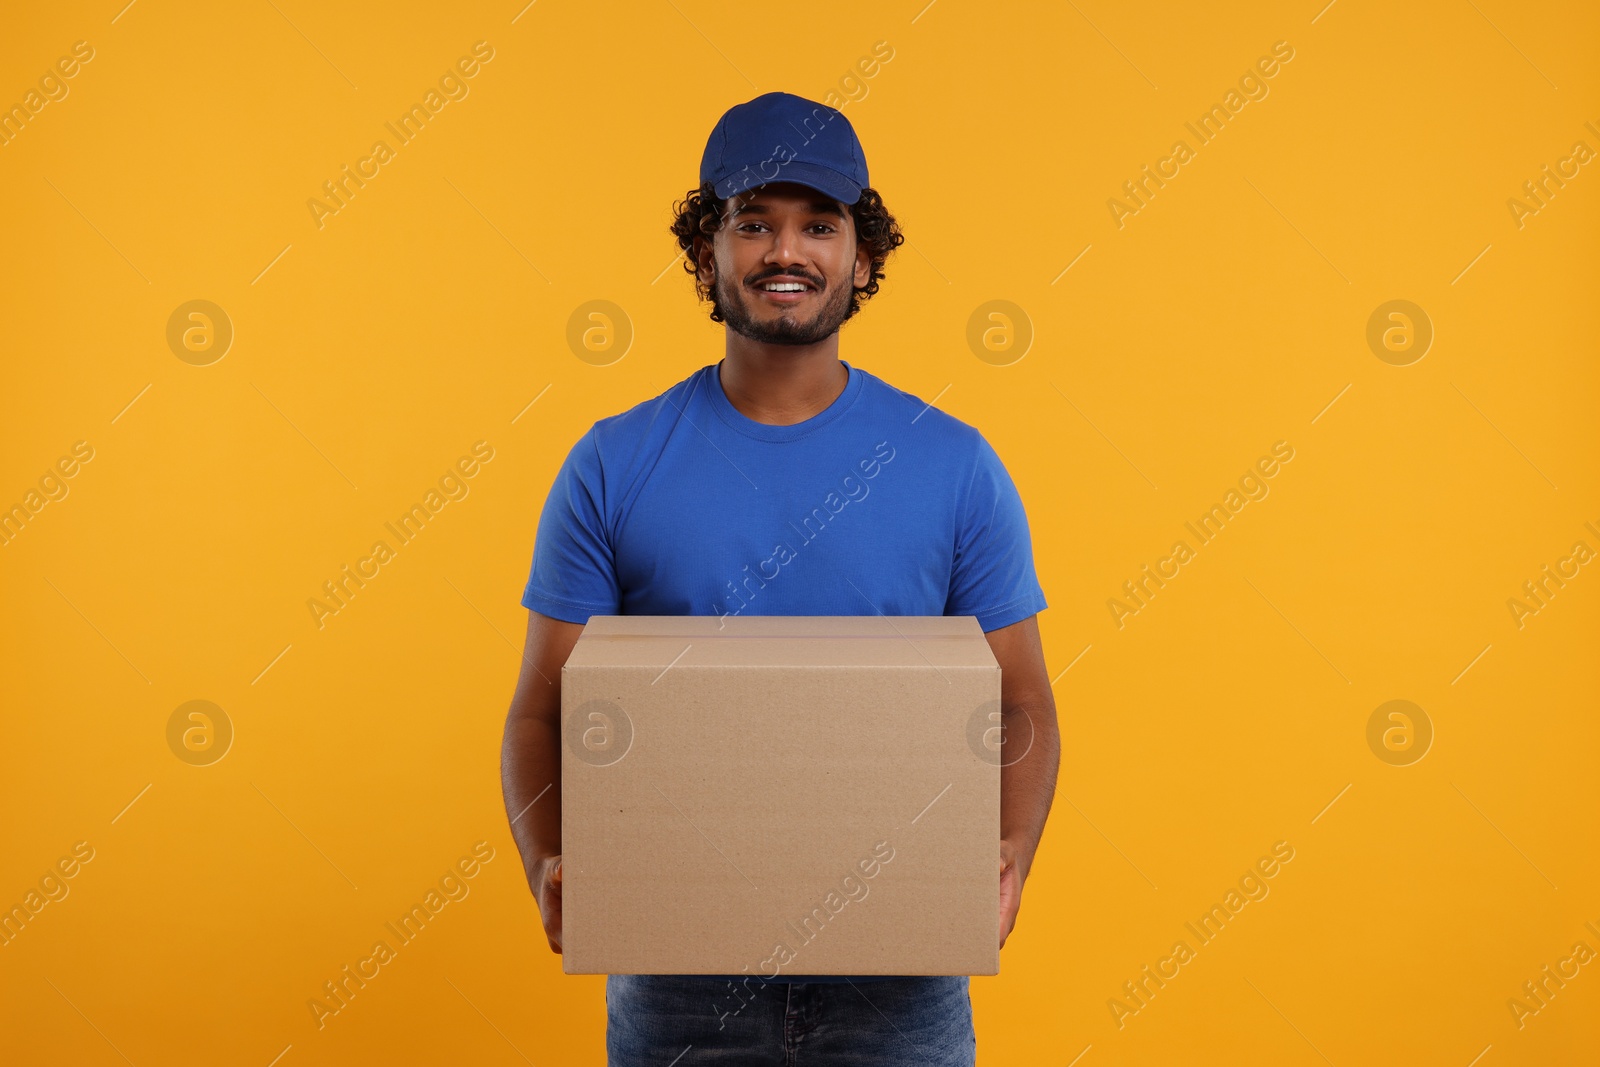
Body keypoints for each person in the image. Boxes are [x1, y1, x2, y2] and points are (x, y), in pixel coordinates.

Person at [500, 90, 1060, 1066]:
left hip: (902, 984)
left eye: (817, 224)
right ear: (705, 254)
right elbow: (541, 710)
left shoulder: (952, 464)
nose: (783, 251)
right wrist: (547, 856)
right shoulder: (614, 463)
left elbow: (1020, 699)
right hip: (678, 985)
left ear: (863, 256)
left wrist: (1009, 850)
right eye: (751, 223)